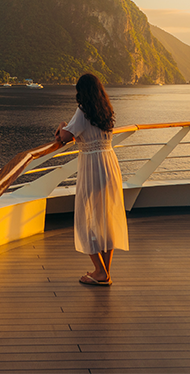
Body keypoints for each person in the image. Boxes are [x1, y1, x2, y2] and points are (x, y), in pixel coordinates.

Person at [53, 73, 128, 286]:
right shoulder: (106, 111)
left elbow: (65, 137)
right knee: (106, 218)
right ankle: (104, 272)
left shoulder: (83, 111)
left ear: (82, 92)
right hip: (110, 164)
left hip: (92, 167)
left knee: (87, 218)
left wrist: (62, 124)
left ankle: (99, 271)